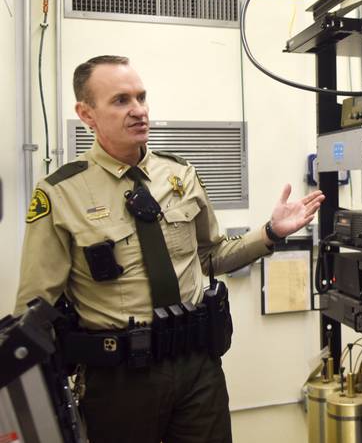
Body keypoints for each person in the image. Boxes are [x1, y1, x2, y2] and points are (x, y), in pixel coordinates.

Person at [14, 55, 325, 443]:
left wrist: (270, 232)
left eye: (142, 98)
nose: (138, 110)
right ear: (86, 114)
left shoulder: (179, 175)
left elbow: (211, 256)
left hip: (197, 368)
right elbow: (33, 309)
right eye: (121, 100)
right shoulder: (60, 193)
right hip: (119, 380)